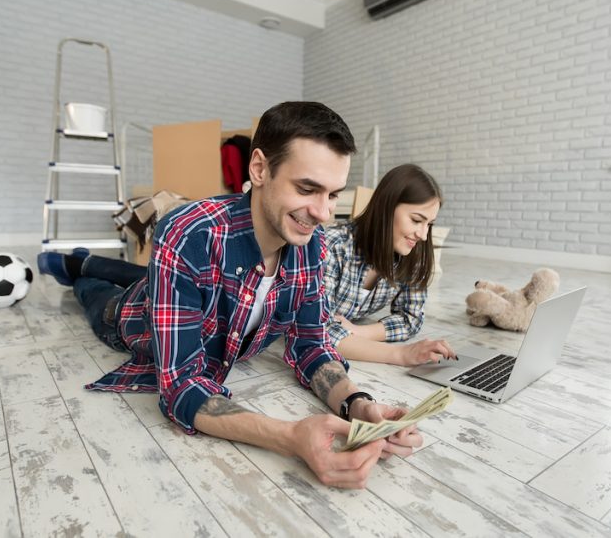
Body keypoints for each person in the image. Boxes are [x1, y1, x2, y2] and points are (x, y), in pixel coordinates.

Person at [37, 102, 421, 489]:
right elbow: (182, 387)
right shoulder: (188, 233)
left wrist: (358, 404)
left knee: (143, 274)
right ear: (259, 169)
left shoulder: (311, 243)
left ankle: (85, 261)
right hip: (132, 316)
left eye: (334, 195)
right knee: (97, 295)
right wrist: (290, 437)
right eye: (307, 189)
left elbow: (312, 346)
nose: (322, 212)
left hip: (175, 285)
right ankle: (77, 271)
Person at [324, 164, 456, 366]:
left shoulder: (413, 252)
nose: (422, 235)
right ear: (386, 208)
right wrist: (401, 354)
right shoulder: (333, 246)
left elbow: (411, 318)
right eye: (416, 220)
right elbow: (318, 330)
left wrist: (360, 332)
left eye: (429, 224)